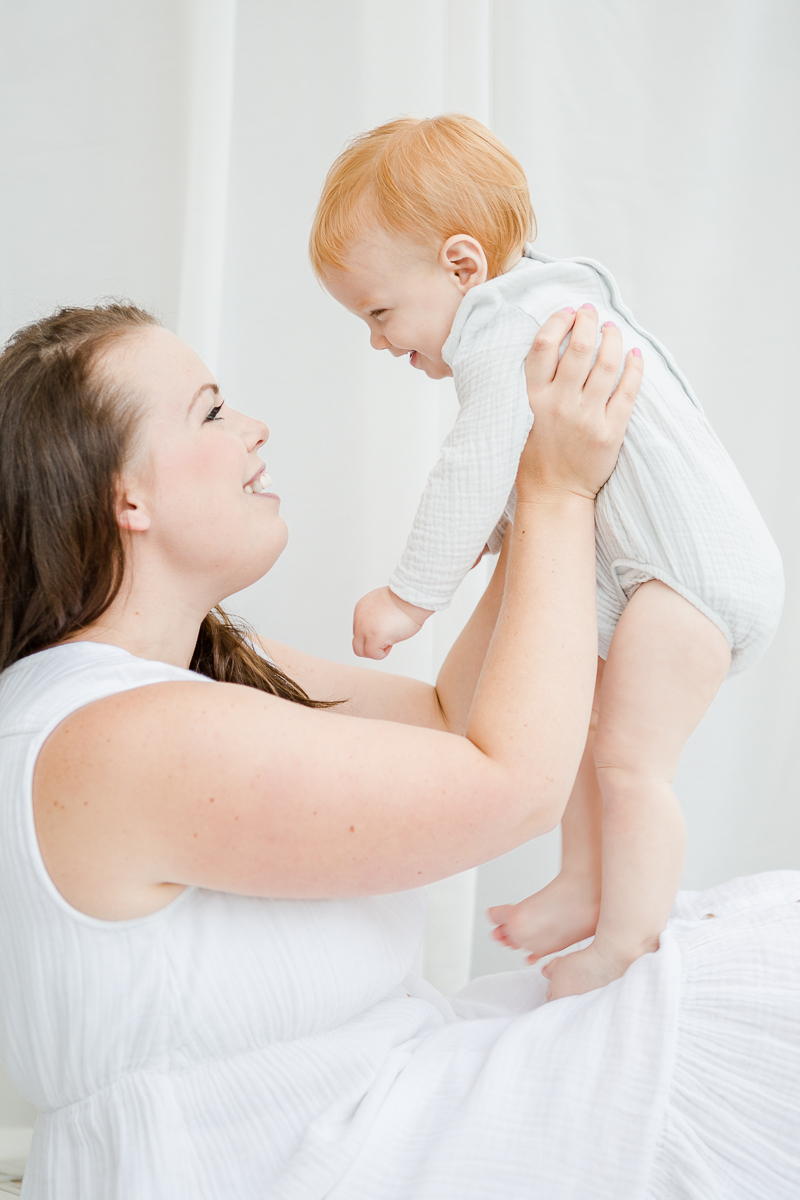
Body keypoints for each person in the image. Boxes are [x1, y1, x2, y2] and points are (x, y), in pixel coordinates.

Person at [0, 301, 796, 1200]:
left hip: (356, 1110)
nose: (255, 429)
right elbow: (513, 784)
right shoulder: (121, 733)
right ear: (126, 497)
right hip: (283, 1156)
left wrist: (529, 487)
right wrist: (557, 494)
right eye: (213, 411)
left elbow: (457, 719)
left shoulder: (179, 677)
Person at [309, 114, 785, 1000]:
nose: (378, 341)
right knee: (578, 723)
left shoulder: (504, 331)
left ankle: (629, 937)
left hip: (689, 582)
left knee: (629, 759)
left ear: (460, 265)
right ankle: (584, 885)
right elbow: (519, 478)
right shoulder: (544, 304)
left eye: (379, 312)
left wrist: (409, 599)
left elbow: (474, 468)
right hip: (662, 575)